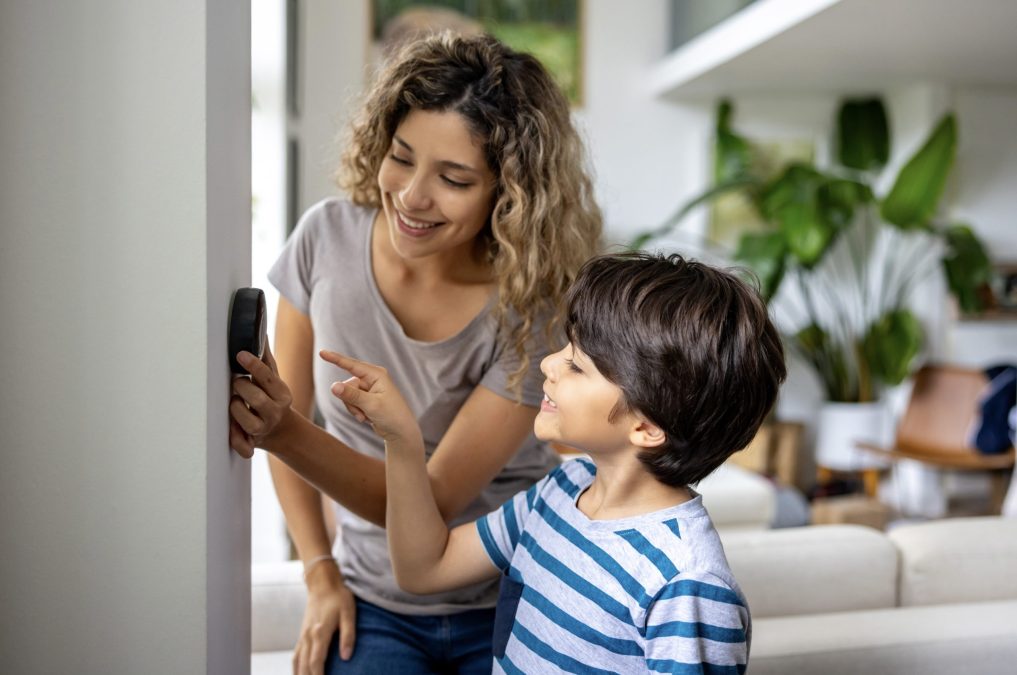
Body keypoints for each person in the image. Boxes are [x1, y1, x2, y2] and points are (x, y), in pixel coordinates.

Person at [229, 32, 601, 674]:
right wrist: (319, 572)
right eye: (401, 157)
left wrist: (283, 431)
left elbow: (428, 505)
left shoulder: (532, 300)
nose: (411, 196)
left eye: (453, 179)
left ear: (507, 194)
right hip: (374, 600)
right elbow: (287, 406)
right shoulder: (325, 239)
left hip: (518, 592)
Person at [321, 252, 787, 673]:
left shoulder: (688, 583)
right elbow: (424, 569)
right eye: (566, 349)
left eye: (577, 365)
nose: (548, 363)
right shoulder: (562, 488)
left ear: (645, 427)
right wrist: (401, 440)